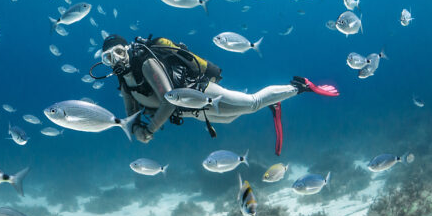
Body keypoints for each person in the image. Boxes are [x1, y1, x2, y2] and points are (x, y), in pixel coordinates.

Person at [98, 34, 338, 154]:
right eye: (108, 58)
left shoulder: (146, 63)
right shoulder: (123, 79)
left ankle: (300, 86)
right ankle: (273, 102)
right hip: (190, 111)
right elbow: (131, 113)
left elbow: (169, 99)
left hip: (199, 93)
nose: (116, 60)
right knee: (231, 117)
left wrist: (150, 130)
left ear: (128, 49)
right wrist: (136, 129)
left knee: (252, 103)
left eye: (119, 52)